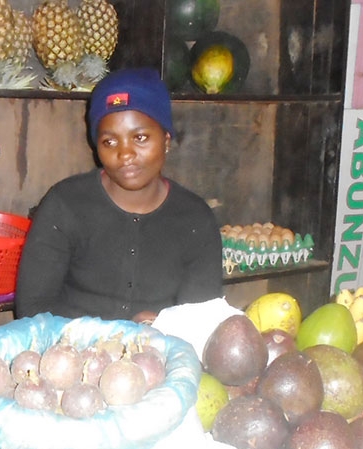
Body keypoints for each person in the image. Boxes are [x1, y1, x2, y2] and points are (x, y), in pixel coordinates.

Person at [15, 67, 223, 324]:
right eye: (110, 142)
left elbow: (202, 321)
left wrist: (164, 328)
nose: (125, 154)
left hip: (161, 358)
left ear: (166, 140)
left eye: (140, 137)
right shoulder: (66, 205)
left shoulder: (195, 220)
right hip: (69, 356)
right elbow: (32, 311)